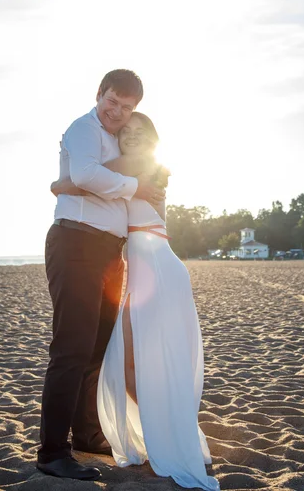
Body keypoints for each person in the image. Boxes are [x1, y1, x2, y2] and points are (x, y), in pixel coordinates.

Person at [52, 112, 219, 491]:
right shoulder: (148, 169)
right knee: (138, 359)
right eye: (125, 131)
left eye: (138, 132)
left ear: (151, 139)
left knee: (133, 361)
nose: (129, 136)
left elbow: (81, 179)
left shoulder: (137, 164)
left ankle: (169, 434)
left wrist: (57, 182)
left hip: (155, 270)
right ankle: (170, 433)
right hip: (149, 268)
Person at [37, 70, 165, 481]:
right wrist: (134, 186)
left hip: (110, 254)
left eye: (127, 107)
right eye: (113, 102)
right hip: (75, 244)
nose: (117, 111)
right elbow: (86, 176)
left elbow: (79, 183)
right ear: (99, 95)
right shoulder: (83, 128)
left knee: (96, 349)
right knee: (71, 349)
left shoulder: (121, 141)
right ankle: (52, 451)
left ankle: (86, 436)